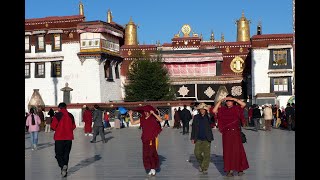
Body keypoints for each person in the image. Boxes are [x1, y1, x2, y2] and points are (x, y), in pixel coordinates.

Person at [212, 94, 249, 177]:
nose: (228, 102)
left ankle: (240, 169)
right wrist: (220, 101)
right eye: (227, 101)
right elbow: (214, 111)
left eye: (230, 101)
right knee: (228, 152)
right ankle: (229, 170)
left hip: (235, 133)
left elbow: (244, 104)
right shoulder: (223, 110)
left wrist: (233, 99)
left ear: (233, 102)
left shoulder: (236, 108)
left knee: (238, 151)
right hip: (226, 134)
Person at [128, 105, 163, 176]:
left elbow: (161, 120)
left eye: (147, 112)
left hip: (152, 139)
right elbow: (133, 123)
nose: (146, 113)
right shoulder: (142, 118)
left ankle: (153, 168)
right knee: (146, 154)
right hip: (145, 139)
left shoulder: (153, 118)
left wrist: (153, 113)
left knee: (152, 154)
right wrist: (130, 115)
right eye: (145, 112)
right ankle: (149, 168)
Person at [51, 102, 76, 177]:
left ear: (59, 108)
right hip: (69, 138)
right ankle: (64, 170)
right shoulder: (70, 115)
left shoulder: (57, 115)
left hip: (59, 138)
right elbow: (73, 126)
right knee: (66, 154)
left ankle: (62, 166)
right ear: (66, 107)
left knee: (58, 154)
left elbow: (53, 126)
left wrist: (58, 129)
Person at [190, 103, 214, 174]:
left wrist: (210, 113)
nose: (202, 110)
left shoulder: (208, 117)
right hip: (198, 138)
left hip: (207, 138)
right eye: (200, 109)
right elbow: (193, 128)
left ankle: (204, 168)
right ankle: (202, 164)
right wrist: (192, 138)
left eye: (203, 109)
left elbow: (213, 122)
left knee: (207, 154)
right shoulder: (196, 117)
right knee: (197, 153)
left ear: (206, 110)